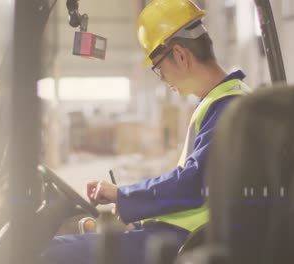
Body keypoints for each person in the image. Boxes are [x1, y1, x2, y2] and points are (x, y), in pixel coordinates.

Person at [40, 0, 251, 263]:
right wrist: (131, 201)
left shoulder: (228, 106)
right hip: (183, 234)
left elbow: (192, 184)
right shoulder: (223, 100)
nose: (162, 78)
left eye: (159, 68)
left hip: (184, 242)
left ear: (181, 55)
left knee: (51, 253)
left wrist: (124, 196)